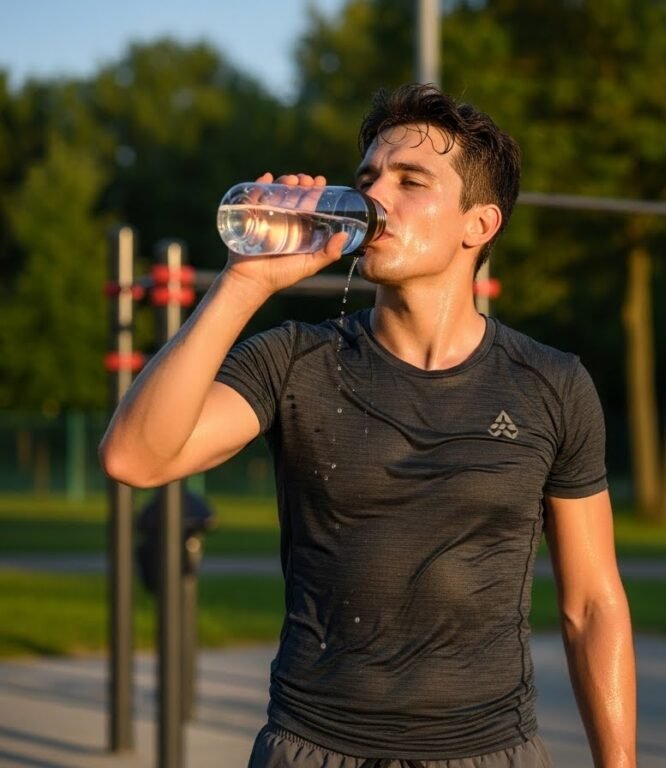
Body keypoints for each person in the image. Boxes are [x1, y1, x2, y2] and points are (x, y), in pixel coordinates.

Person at [100, 83, 636, 768]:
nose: (378, 196)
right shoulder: (295, 358)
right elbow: (134, 459)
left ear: (479, 225)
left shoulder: (552, 383)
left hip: (488, 751)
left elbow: (591, 604)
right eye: (370, 178)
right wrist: (246, 283)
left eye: (411, 181)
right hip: (313, 747)